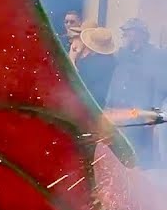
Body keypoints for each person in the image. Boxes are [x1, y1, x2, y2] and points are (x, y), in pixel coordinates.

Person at [105, 18, 167, 168]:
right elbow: (116, 77)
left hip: (139, 112)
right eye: (124, 33)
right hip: (120, 108)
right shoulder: (124, 54)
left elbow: (160, 86)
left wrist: (154, 114)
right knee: (118, 149)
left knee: (137, 154)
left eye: (129, 32)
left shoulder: (155, 55)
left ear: (141, 34)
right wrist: (109, 103)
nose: (125, 36)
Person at [70, 23, 116, 108]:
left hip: (90, 102)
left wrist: (72, 58)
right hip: (92, 100)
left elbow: (77, 78)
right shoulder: (108, 59)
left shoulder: (100, 62)